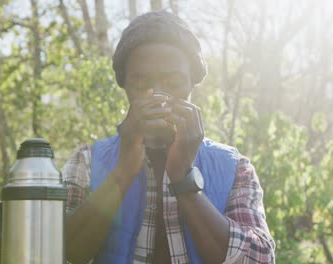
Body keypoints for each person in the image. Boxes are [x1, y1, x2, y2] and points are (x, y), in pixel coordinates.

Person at [62, 10, 275, 264]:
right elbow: (58, 253)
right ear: (125, 86)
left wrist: (183, 179)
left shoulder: (235, 167)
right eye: (142, 86)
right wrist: (123, 170)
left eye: (174, 84)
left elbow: (259, 260)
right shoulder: (86, 161)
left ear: (192, 85)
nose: (159, 99)